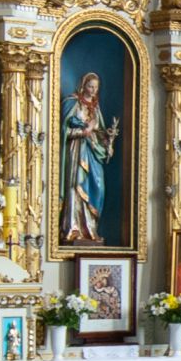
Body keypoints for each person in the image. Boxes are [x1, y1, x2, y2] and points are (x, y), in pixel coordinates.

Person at [59, 69, 114, 247]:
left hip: (93, 151)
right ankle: (74, 228)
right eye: (90, 86)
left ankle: (90, 229)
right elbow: (63, 131)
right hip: (77, 151)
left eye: (96, 88)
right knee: (76, 186)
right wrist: (83, 131)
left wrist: (107, 141)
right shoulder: (73, 103)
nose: (93, 90)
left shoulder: (95, 108)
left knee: (98, 185)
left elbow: (100, 131)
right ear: (83, 86)